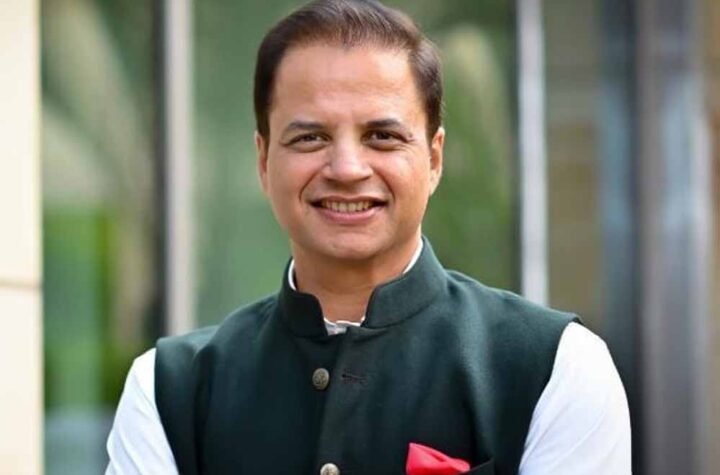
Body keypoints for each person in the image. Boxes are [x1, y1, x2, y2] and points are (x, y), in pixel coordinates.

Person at [106, 1, 631, 474]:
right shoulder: (167, 390)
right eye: (311, 137)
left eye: (382, 136)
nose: (347, 168)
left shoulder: (556, 368)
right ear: (264, 161)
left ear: (434, 158)